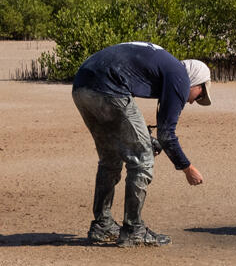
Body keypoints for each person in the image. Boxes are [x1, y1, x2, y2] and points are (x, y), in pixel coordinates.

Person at [70, 42, 210, 246]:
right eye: (200, 95)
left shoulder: (166, 66)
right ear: (196, 83)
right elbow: (167, 134)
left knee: (110, 158)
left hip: (82, 85)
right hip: (109, 87)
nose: (193, 102)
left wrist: (144, 136)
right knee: (143, 161)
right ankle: (134, 229)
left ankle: (102, 225)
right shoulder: (180, 77)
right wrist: (187, 168)